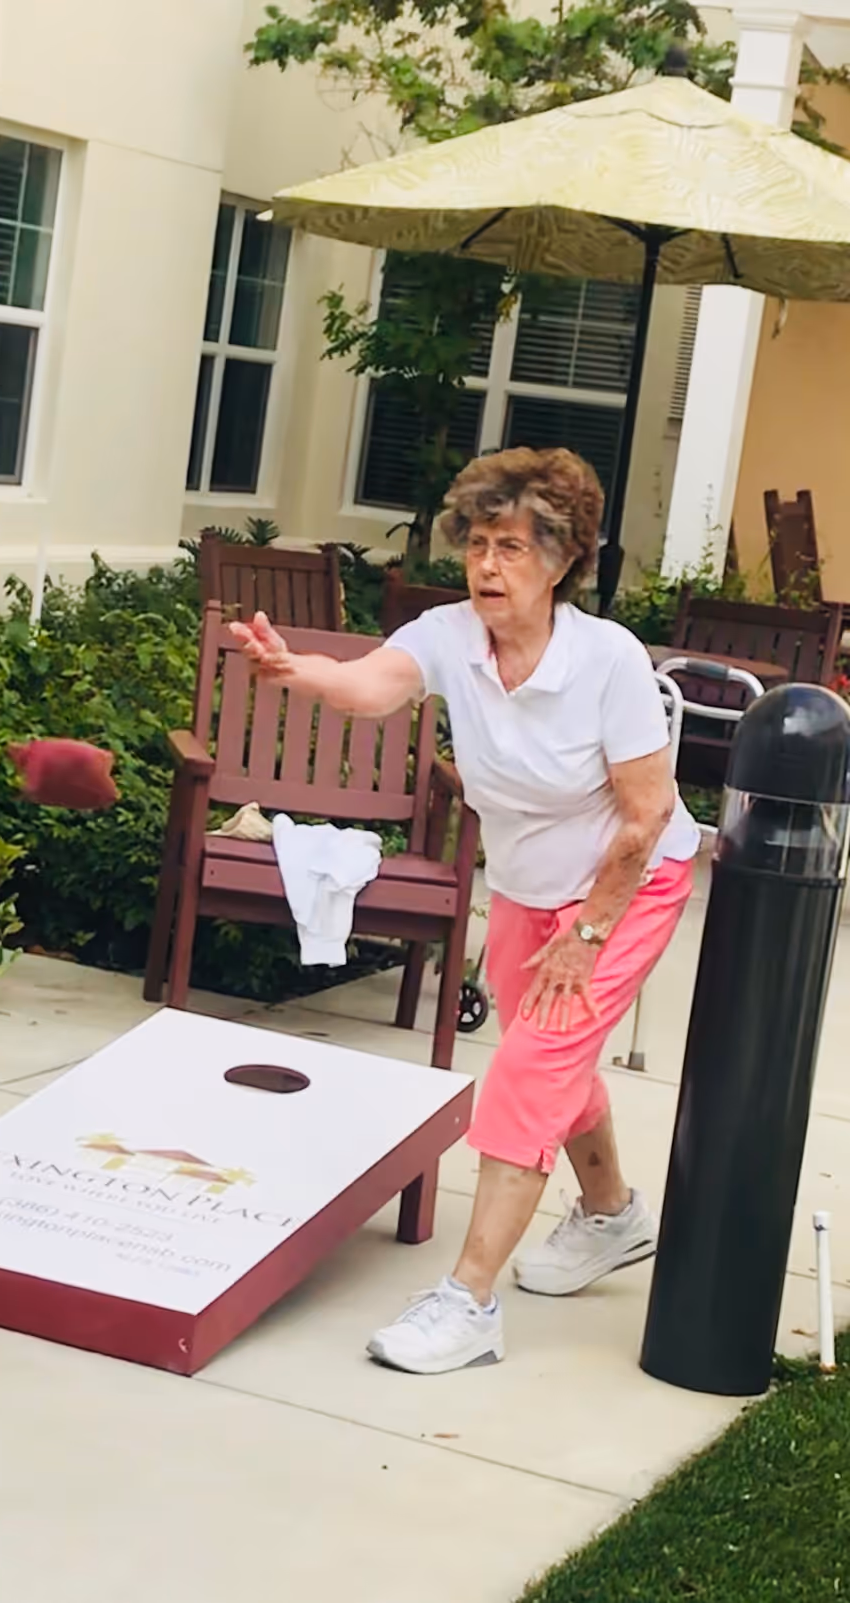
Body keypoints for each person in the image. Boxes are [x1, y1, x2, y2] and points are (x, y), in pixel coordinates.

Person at [230, 447, 699, 1376]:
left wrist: (590, 932)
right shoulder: (450, 634)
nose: (489, 565)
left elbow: (644, 817)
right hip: (528, 885)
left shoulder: (606, 657)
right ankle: (611, 1215)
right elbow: (379, 685)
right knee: (546, 1051)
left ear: (561, 562)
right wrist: (299, 671)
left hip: (626, 884)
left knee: (530, 1067)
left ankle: (469, 1301)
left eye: (514, 548)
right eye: (480, 544)